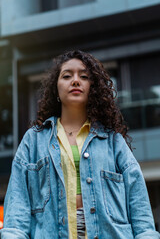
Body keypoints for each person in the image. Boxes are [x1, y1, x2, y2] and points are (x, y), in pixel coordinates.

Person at [0, 50, 159, 239]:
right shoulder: (33, 140)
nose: (75, 81)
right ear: (56, 89)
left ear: (93, 88)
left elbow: (140, 210)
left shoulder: (113, 141)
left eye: (84, 76)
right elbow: (16, 216)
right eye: (67, 76)